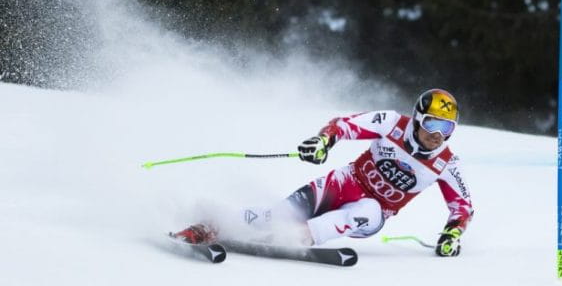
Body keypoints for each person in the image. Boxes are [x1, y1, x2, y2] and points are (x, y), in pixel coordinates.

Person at [173, 88, 474, 257]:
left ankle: (299, 237)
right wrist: (323, 141)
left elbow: (462, 207)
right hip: (345, 182)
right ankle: (212, 224)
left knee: (368, 209)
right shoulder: (392, 122)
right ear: (419, 119)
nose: (438, 134)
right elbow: (344, 125)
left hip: (375, 211)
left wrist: (452, 234)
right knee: (278, 214)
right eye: (433, 123)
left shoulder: (445, 162)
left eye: (447, 127)